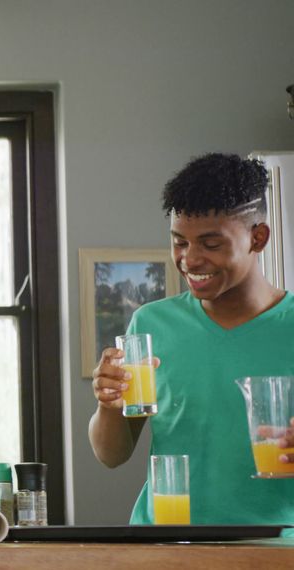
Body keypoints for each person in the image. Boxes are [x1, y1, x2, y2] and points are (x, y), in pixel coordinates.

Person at [88, 153, 294, 525]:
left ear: (257, 238)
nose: (190, 260)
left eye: (211, 244)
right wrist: (108, 404)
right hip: (166, 548)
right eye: (179, 242)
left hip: (276, 548)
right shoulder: (151, 324)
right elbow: (111, 455)